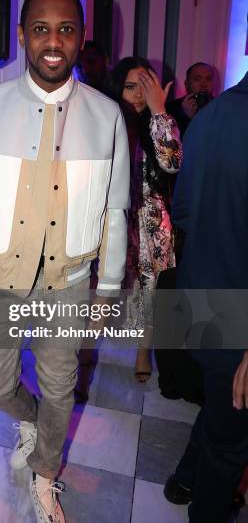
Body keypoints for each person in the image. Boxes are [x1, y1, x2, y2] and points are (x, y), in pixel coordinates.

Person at [0, 0, 130, 523]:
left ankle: (46, 474)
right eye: (42, 28)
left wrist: (111, 289)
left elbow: (114, 212)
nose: (54, 41)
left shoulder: (106, 117)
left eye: (67, 30)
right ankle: (30, 421)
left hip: (68, 284)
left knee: (60, 389)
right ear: (23, 35)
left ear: (81, 39)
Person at [164, 72, 248, 523]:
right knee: (231, 439)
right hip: (239, 307)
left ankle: (185, 478)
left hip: (201, 298)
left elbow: (183, 213)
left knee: (220, 405)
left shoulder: (210, 116)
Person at [110, 57, 182, 381]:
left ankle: (142, 351)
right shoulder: (107, 120)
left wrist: (158, 111)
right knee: (101, 287)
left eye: (145, 87)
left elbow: (172, 163)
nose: (138, 95)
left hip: (153, 222)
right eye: (130, 87)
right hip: (112, 220)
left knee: (148, 292)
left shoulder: (162, 120)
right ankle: (82, 351)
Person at [166, 62, 215, 138]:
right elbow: (171, 144)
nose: (204, 84)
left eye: (208, 79)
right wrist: (186, 117)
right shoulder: (172, 108)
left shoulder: (220, 108)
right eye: (197, 79)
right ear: (187, 83)